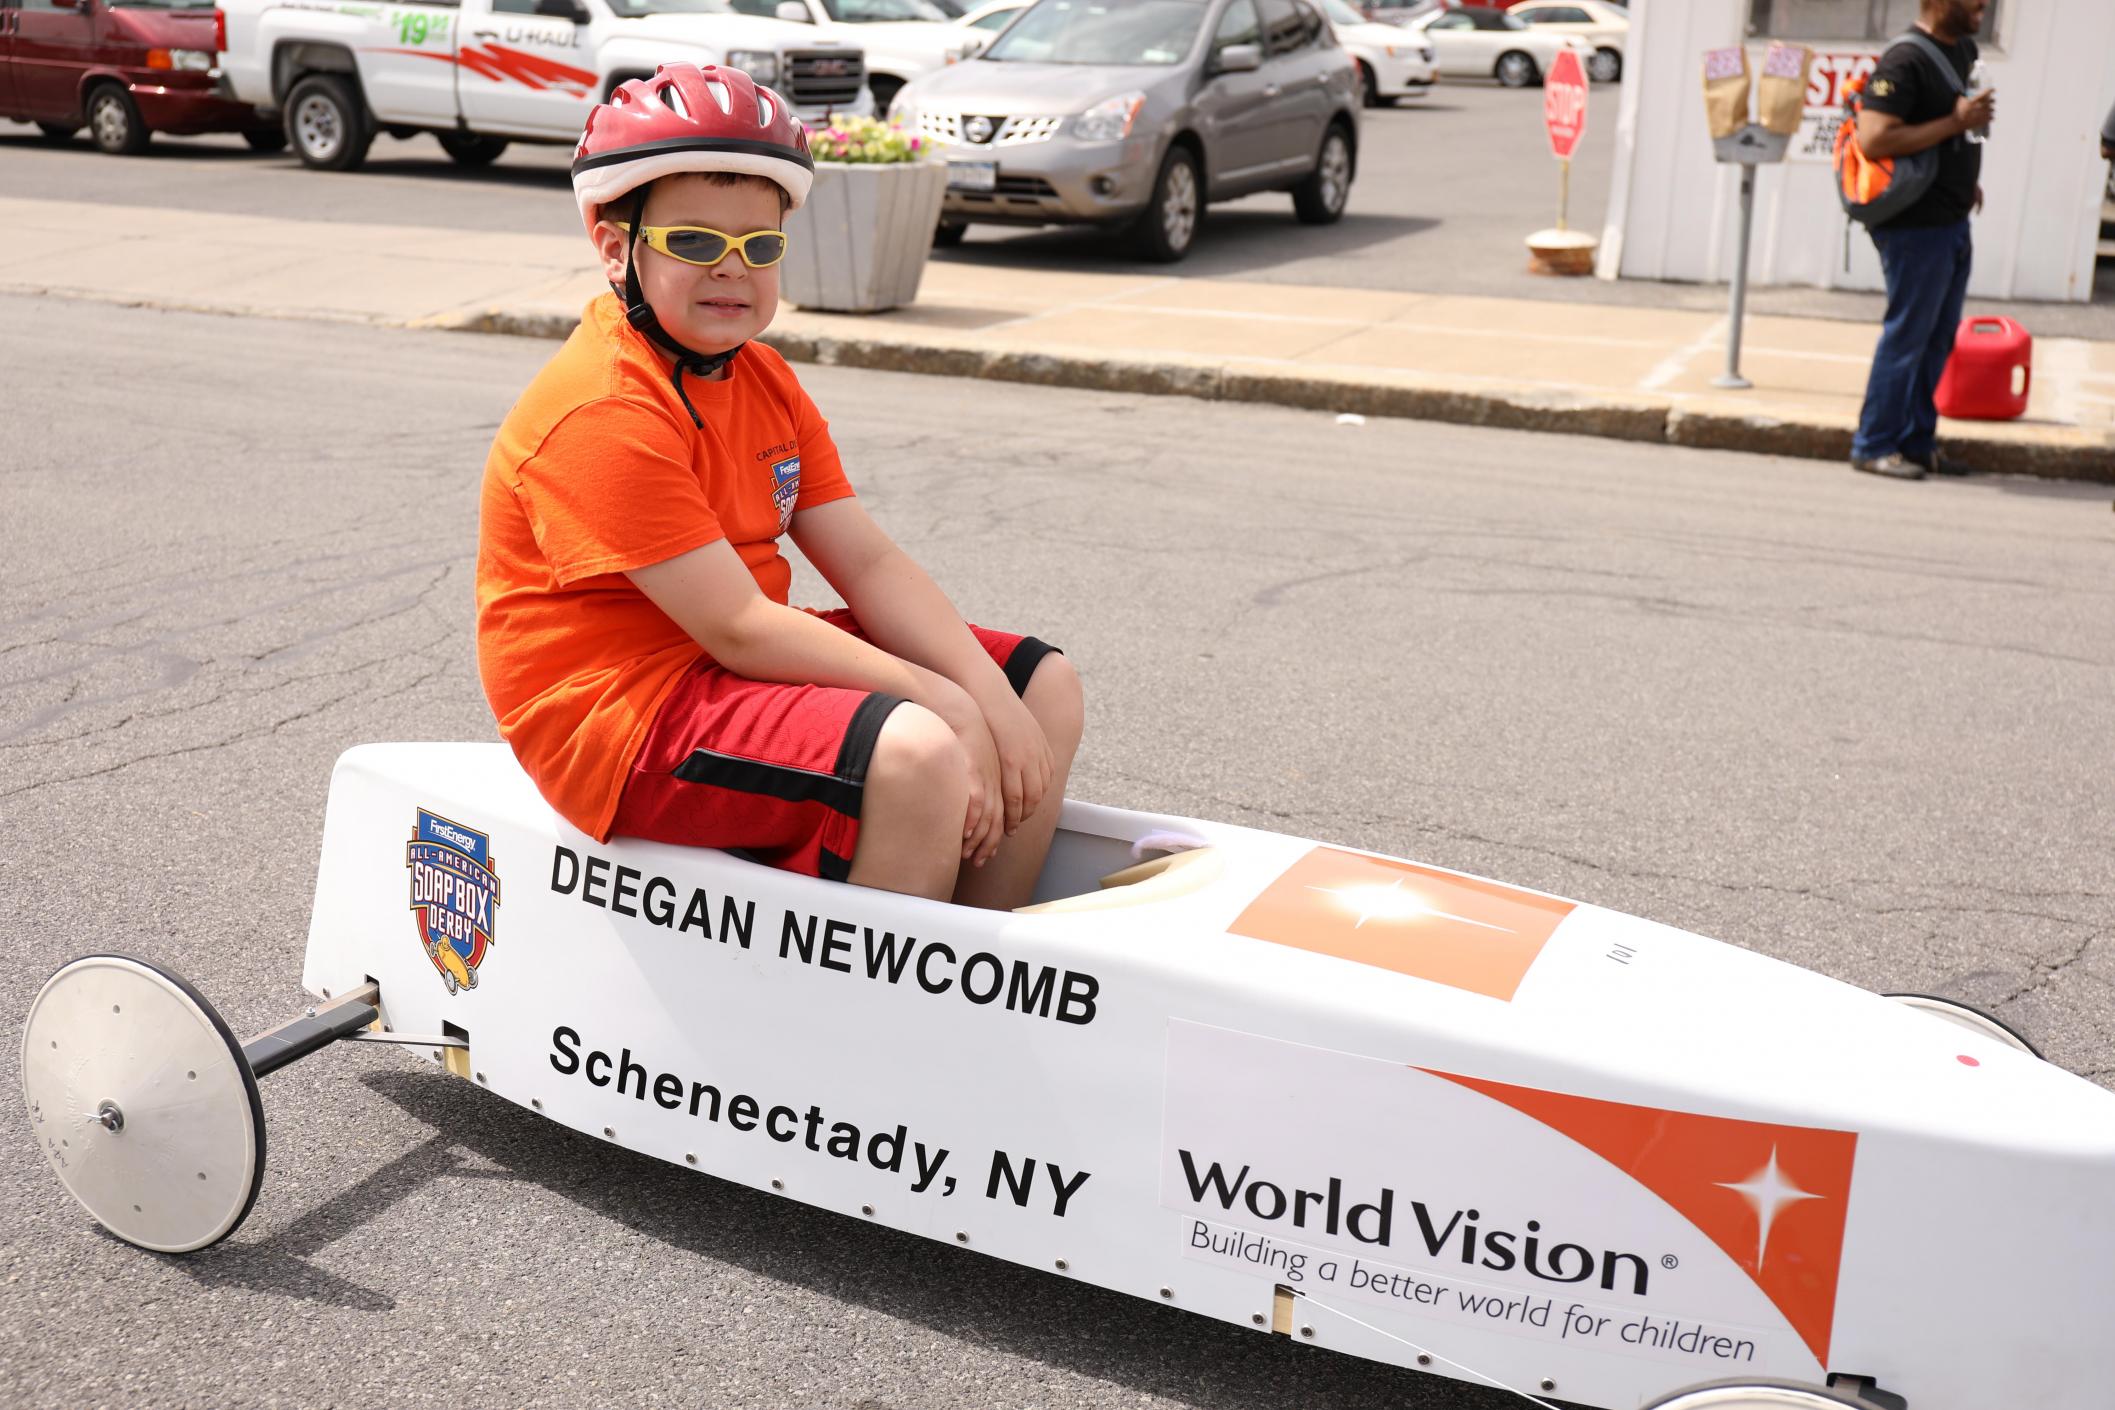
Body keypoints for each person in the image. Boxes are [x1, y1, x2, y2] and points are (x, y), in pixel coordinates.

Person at [476, 63, 1083, 910]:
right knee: (915, 751)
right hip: (619, 718)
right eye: (693, 242)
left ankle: (985, 960)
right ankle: (873, 1028)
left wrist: (985, 695)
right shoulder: (600, 406)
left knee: (1036, 686)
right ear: (616, 249)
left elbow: (865, 562)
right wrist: (943, 701)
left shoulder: (761, 376)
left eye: (759, 246)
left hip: (724, 673)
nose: (733, 268)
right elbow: (739, 627)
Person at [1846, 0, 1995, 481]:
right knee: (1908, 336)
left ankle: (1915, 442)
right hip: (1914, 226)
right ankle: (1873, 444)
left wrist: (1965, 179)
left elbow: (1954, 129)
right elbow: (1874, 138)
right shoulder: (1904, 60)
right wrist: (1957, 122)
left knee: (1937, 339)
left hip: (1951, 219)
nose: (1982, 5)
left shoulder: (1964, 50)